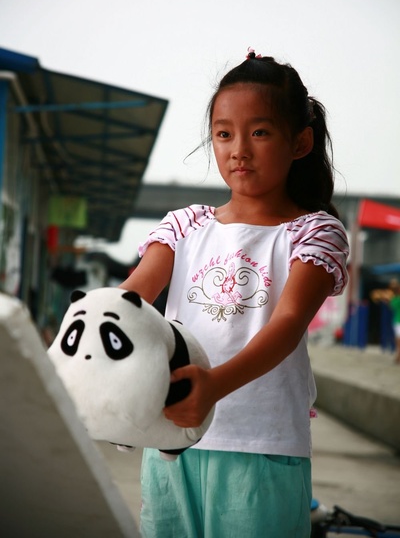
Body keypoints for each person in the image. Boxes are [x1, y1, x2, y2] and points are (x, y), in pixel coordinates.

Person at [119, 48, 349, 538]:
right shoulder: (184, 225)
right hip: (172, 441)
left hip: (263, 445)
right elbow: (129, 301)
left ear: (300, 142)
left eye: (259, 132)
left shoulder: (314, 233)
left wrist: (213, 387)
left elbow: (287, 323)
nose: (238, 149)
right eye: (224, 134)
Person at [388, 279, 400, 363]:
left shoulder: (394, 299)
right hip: (397, 321)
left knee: (398, 340)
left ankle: (398, 356)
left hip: (397, 321)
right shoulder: (395, 299)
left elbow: (391, 307)